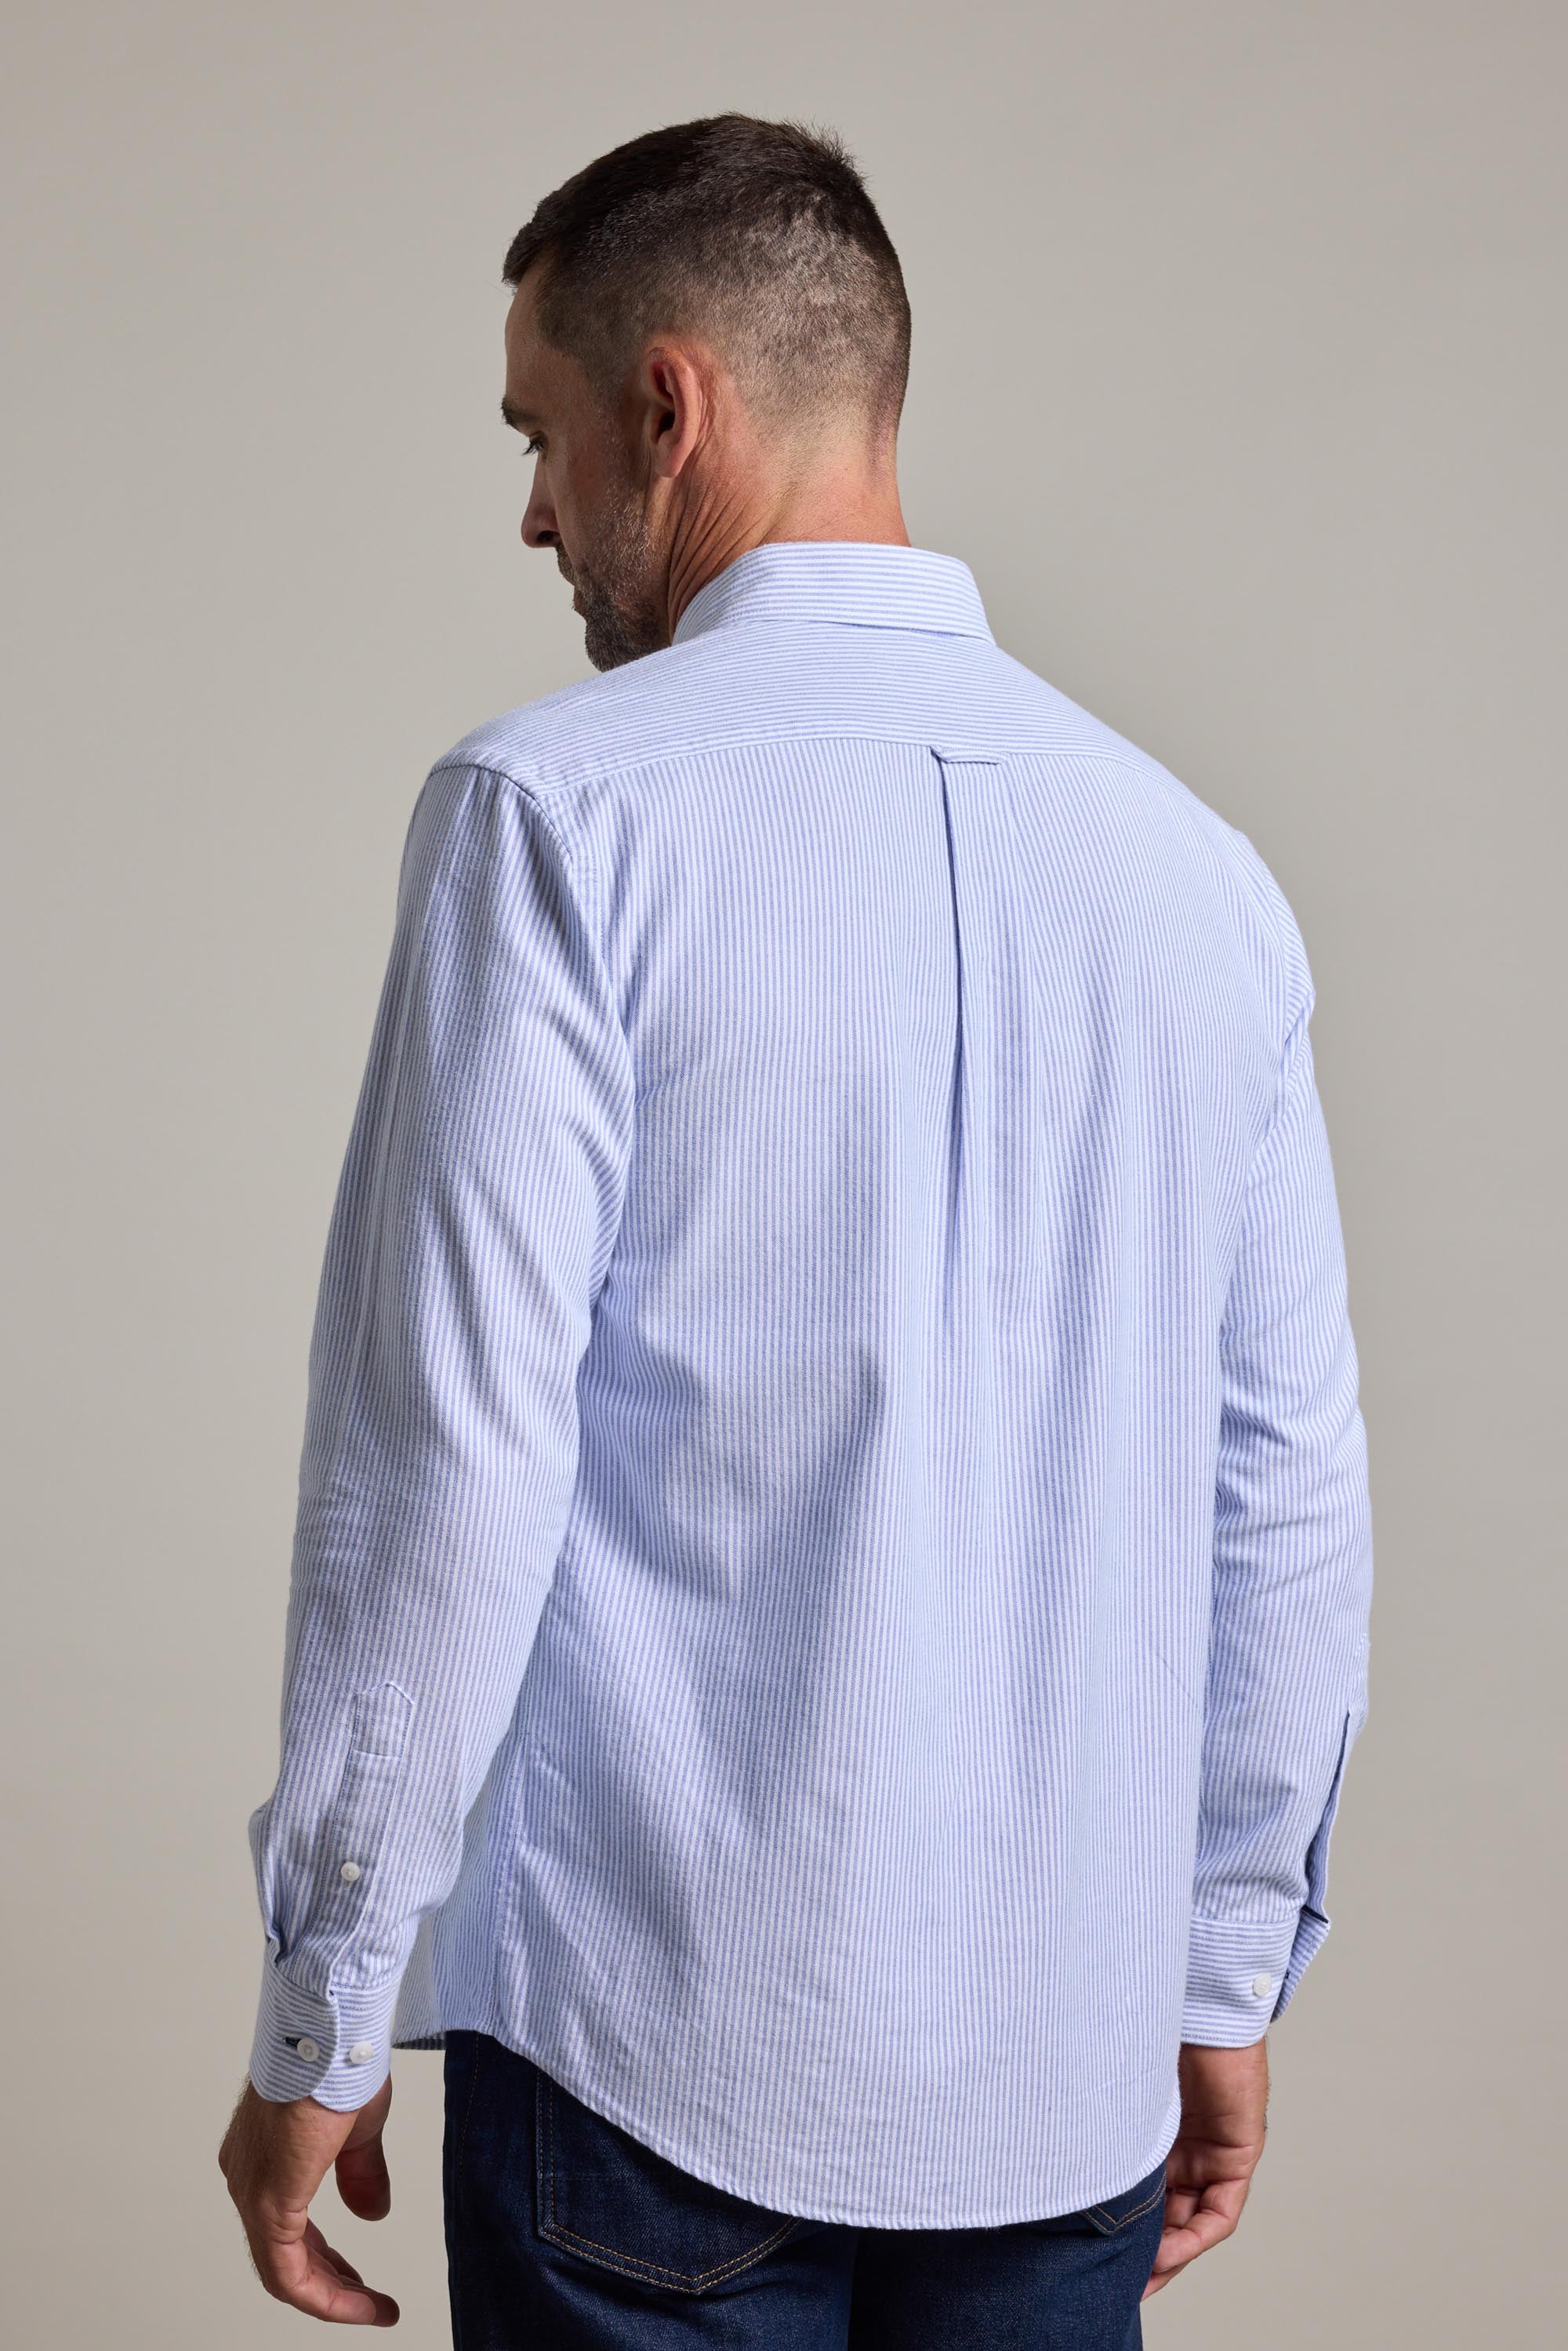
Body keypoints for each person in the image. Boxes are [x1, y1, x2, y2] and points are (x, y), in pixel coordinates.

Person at [219, 111, 1374, 2346]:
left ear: (673, 405)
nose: (534, 511)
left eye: (545, 437)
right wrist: (1224, 1964)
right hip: (1061, 2096)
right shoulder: (1199, 875)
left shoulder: (553, 816)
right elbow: (1287, 1482)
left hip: (651, 2084)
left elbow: (444, 1465)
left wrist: (323, 2001)